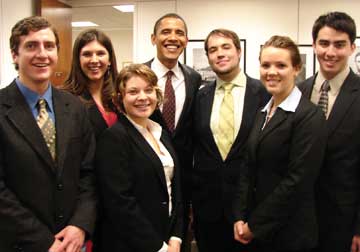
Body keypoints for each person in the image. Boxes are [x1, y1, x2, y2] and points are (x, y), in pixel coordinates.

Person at [0, 16, 96, 252]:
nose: (42, 54)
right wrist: (44, 241)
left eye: (49, 46)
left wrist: (79, 224)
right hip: (19, 243)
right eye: (31, 46)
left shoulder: (75, 107)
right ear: (15, 55)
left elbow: (90, 173)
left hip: (73, 242)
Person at [233, 35, 327, 252]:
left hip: (290, 234)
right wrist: (239, 216)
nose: (271, 72)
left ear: (296, 68)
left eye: (281, 65)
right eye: (265, 65)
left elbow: (298, 181)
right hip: (257, 231)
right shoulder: (264, 112)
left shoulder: (309, 116)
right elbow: (248, 168)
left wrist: (255, 225)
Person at [191, 28, 269, 252]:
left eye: (226, 47)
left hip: (251, 209)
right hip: (208, 208)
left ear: (239, 51)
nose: (219, 54)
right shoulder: (200, 96)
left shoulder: (264, 94)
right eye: (213, 50)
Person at [95, 64, 183, 252]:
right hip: (135, 244)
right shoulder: (114, 138)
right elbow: (120, 203)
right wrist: (158, 247)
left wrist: (176, 236)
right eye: (133, 92)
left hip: (168, 238)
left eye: (148, 90)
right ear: (120, 99)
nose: (143, 97)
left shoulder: (161, 133)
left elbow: (175, 189)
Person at [298, 12, 360, 252]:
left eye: (339, 44)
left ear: (352, 47)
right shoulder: (299, 92)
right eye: (324, 43)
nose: (330, 52)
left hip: (343, 223)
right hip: (299, 219)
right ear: (314, 45)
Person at [144, 13, 201, 251]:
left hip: (183, 183)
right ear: (153, 38)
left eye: (179, 33)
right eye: (166, 32)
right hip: (146, 179)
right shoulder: (138, 76)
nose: (172, 38)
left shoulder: (194, 79)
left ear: (186, 41)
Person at [63, 29, 118, 139]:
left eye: (100, 54)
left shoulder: (119, 95)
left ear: (110, 60)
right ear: (78, 60)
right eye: (87, 54)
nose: (94, 60)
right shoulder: (65, 99)